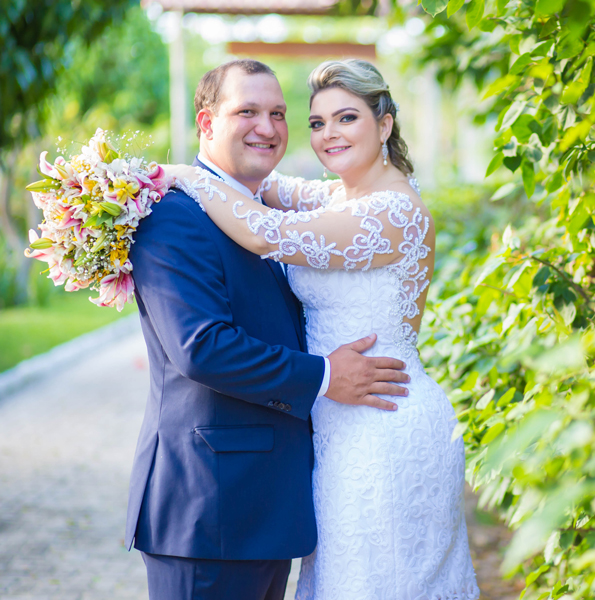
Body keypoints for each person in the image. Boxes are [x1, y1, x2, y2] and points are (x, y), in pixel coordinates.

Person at [165, 59, 480, 599]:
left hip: (383, 421)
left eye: (347, 118)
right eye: (316, 123)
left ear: (384, 124)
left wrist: (185, 175)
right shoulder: (339, 197)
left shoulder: (394, 213)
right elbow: (265, 184)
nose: (329, 134)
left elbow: (265, 233)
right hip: (338, 426)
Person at [127, 59, 411, 600]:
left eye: (278, 113)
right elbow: (201, 347)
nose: (267, 127)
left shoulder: (265, 208)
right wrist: (326, 376)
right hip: (208, 508)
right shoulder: (174, 214)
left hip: (272, 505)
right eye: (248, 112)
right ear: (206, 122)